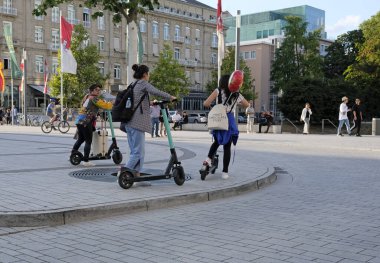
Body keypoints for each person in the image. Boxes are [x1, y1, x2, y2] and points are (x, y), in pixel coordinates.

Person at [119, 64, 176, 178]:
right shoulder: (143, 83)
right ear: (145, 74)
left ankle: (136, 175)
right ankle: (123, 174)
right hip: (137, 123)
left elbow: (136, 102)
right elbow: (156, 91)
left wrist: (150, 103)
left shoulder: (133, 84)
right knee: (137, 153)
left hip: (128, 123)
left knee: (135, 151)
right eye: (148, 73)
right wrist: (170, 97)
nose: (149, 75)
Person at [202, 74, 249, 180]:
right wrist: (236, 104)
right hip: (229, 121)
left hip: (219, 118)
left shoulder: (218, 91)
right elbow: (247, 104)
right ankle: (225, 172)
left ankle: (208, 160)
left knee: (216, 142)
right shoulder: (236, 94)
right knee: (227, 146)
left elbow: (206, 103)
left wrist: (216, 107)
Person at [71, 84, 107, 167]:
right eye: (97, 90)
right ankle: (86, 161)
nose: (98, 91)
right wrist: (111, 104)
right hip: (86, 121)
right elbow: (104, 105)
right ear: (92, 91)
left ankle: (73, 155)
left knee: (80, 139)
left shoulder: (87, 97)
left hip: (79, 120)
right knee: (88, 141)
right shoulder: (94, 98)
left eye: (99, 90)